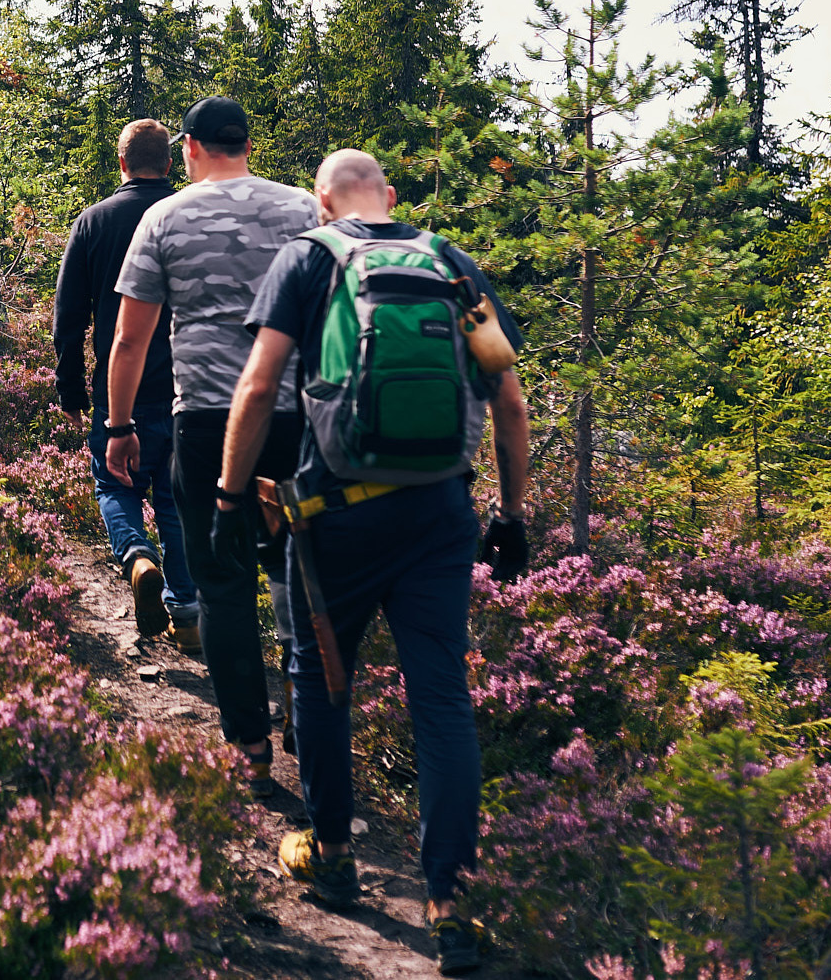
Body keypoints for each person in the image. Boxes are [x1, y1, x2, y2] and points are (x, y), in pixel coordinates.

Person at [218, 148, 530, 976]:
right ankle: (452, 903)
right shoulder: (452, 265)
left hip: (337, 516)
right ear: (389, 196)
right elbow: (509, 398)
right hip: (440, 514)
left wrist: (228, 495)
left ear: (321, 204)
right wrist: (512, 516)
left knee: (322, 676)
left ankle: (331, 854)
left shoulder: (308, 259)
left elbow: (258, 388)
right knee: (442, 699)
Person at [105, 97, 318, 797]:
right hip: (293, 420)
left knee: (222, 585)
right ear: (247, 144)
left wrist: (119, 427)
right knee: (295, 574)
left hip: (205, 424)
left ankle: (251, 748)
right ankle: (307, 719)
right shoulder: (302, 209)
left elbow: (130, 339)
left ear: (190, 147)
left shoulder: (165, 218)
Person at [54, 118, 200, 652]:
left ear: (121, 162)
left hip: (121, 390)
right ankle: (188, 615)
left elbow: (69, 317)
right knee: (178, 501)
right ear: (169, 162)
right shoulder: (189, 215)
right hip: (187, 387)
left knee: (115, 484)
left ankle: (138, 557)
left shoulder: (94, 221)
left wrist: (71, 391)